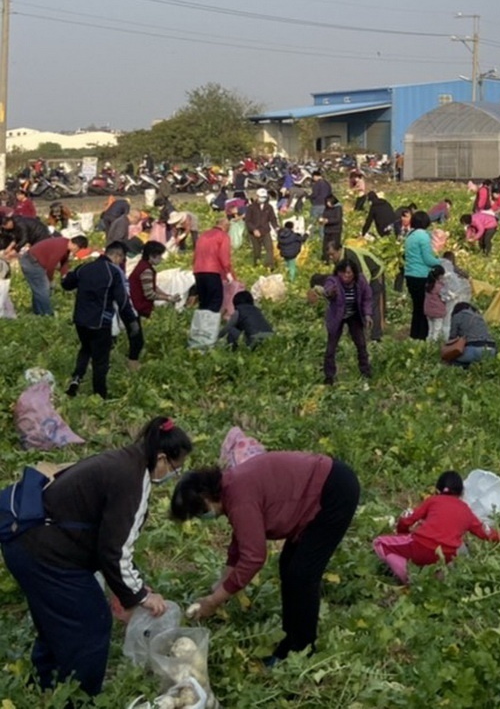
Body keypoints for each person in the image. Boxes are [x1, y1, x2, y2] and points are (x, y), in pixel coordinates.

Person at [1, 417, 192, 697]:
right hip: (44, 554)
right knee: (91, 623)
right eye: (175, 468)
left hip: (27, 543)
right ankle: (80, 697)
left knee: (57, 619)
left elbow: (107, 536)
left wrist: (127, 587)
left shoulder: (125, 460)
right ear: (162, 457)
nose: (173, 475)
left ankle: (45, 684)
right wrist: (138, 596)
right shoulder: (134, 480)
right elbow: (115, 551)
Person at [172, 452, 360, 666]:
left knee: (302, 574)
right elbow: (241, 540)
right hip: (320, 490)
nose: (201, 517)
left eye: (199, 512)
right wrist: (221, 585)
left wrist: (215, 601)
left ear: (205, 497)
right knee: (289, 566)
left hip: (333, 492)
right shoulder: (231, 487)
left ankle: (302, 651)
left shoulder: (238, 496)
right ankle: (289, 642)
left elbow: (253, 557)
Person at [373, 470, 500, 585]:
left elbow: (408, 520)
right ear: (462, 493)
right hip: (445, 555)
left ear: (437, 490)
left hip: (421, 545)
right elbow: (484, 532)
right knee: (451, 557)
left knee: (379, 543)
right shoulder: (467, 511)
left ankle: (409, 578)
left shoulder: (433, 500)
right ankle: (435, 580)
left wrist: (402, 534)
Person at [62, 241, 140, 399]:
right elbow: (123, 301)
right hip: (100, 322)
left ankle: (76, 379)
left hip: (80, 320)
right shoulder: (114, 272)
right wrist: (131, 322)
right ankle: (99, 395)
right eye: (122, 259)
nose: (121, 262)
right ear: (117, 255)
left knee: (85, 349)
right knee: (100, 360)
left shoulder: (84, 267)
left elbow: (67, 284)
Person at [320, 258, 372, 383]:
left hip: (354, 315)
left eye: (349, 273)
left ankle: (365, 371)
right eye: (343, 273)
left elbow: (367, 298)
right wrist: (329, 293)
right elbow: (328, 289)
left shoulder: (361, 281)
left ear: (354, 273)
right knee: (331, 347)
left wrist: (368, 315)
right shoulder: (334, 281)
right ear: (338, 272)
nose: (346, 276)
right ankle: (329, 376)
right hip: (337, 316)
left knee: (361, 344)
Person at [18, 234, 87, 316]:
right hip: (31, 262)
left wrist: (64, 275)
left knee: (38, 288)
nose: (77, 251)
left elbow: (64, 262)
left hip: (34, 261)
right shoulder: (61, 248)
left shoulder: (65, 244)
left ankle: (38, 312)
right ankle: (47, 313)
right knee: (43, 288)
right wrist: (50, 279)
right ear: (75, 245)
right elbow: (51, 266)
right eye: (78, 249)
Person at [403, 211, 443, 341]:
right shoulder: (423, 236)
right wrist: (441, 263)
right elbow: (427, 259)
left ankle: (414, 334)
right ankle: (423, 336)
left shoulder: (410, 235)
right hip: (421, 275)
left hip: (410, 274)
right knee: (424, 308)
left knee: (417, 307)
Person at [193, 216, 235, 314]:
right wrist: (228, 273)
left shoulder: (203, 235)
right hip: (212, 271)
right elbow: (224, 256)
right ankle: (210, 326)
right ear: (225, 226)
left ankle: (201, 326)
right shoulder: (223, 236)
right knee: (215, 301)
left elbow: (195, 253)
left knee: (203, 302)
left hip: (198, 270)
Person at [129, 240, 180, 319]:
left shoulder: (142, 265)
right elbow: (149, 294)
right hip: (139, 307)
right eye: (159, 255)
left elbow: (153, 287)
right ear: (151, 256)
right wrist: (167, 298)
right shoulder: (146, 271)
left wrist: (167, 296)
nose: (161, 258)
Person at [244, 187, 279, 268]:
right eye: (261, 197)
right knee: (257, 251)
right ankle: (256, 266)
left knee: (269, 249)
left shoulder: (269, 207)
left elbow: (272, 218)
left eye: (264, 197)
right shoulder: (251, 207)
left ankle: (270, 266)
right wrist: (254, 230)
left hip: (265, 231)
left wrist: (276, 227)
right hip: (254, 233)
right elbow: (247, 221)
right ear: (257, 196)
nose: (263, 199)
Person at [424, 265, 449, 342]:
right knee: (437, 331)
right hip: (438, 312)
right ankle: (434, 348)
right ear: (440, 276)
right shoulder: (439, 287)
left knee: (430, 330)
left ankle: (427, 346)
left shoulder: (427, 285)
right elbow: (445, 297)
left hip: (428, 311)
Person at [310, 169, 332, 247]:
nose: (313, 179)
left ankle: (311, 239)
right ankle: (322, 239)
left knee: (313, 222)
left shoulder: (317, 184)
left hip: (317, 204)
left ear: (316, 176)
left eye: (313, 177)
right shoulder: (327, 184)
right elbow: (330, 194)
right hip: (325, 205)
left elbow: (314, 194)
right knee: (322, 222)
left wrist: (310, 197)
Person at [320, 195, 344, 263]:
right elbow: (324, 215)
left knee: (334, 246)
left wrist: (328, 221)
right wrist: (322, 220)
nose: (328, 203)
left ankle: (335, 260)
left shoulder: (338, 208)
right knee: (325, 246)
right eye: (327, 202)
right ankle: (326, 260)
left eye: (329, 202)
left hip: (335, 230)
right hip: (327, 230)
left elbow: (337, 219)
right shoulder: (326, 209)